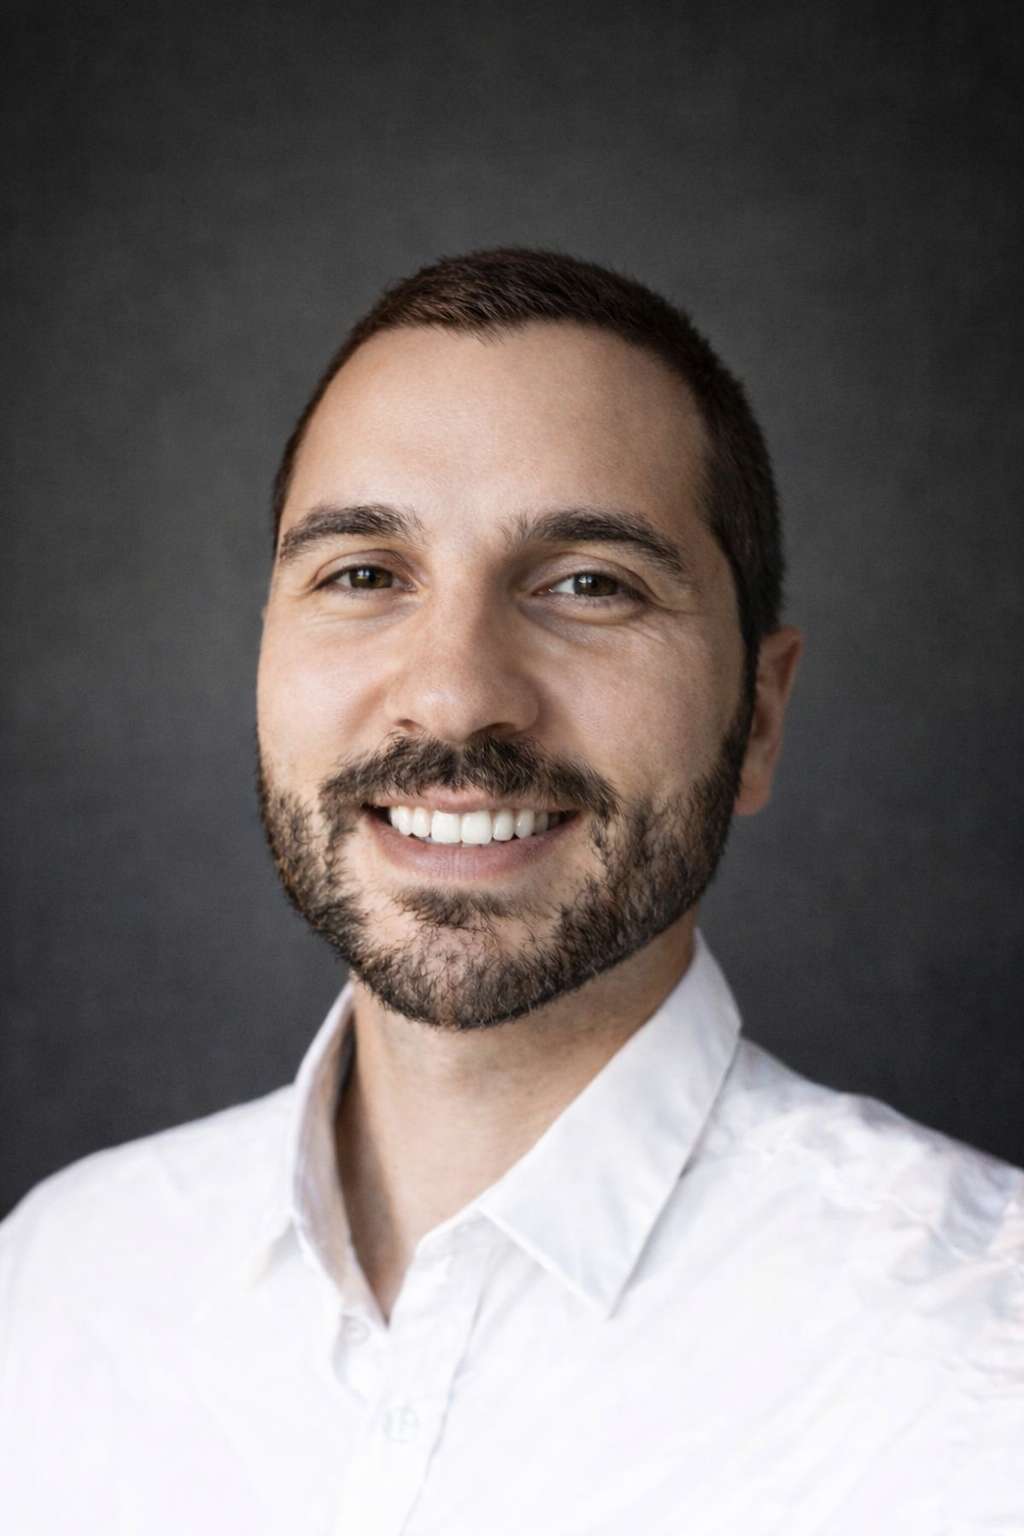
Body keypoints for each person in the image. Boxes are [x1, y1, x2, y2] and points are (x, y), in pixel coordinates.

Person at [1, 248, 1020, 1534]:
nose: (454, 694)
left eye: (589, 584)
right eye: (363, 574)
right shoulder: (56, 1286)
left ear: (757, 718)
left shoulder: (981, 1367)